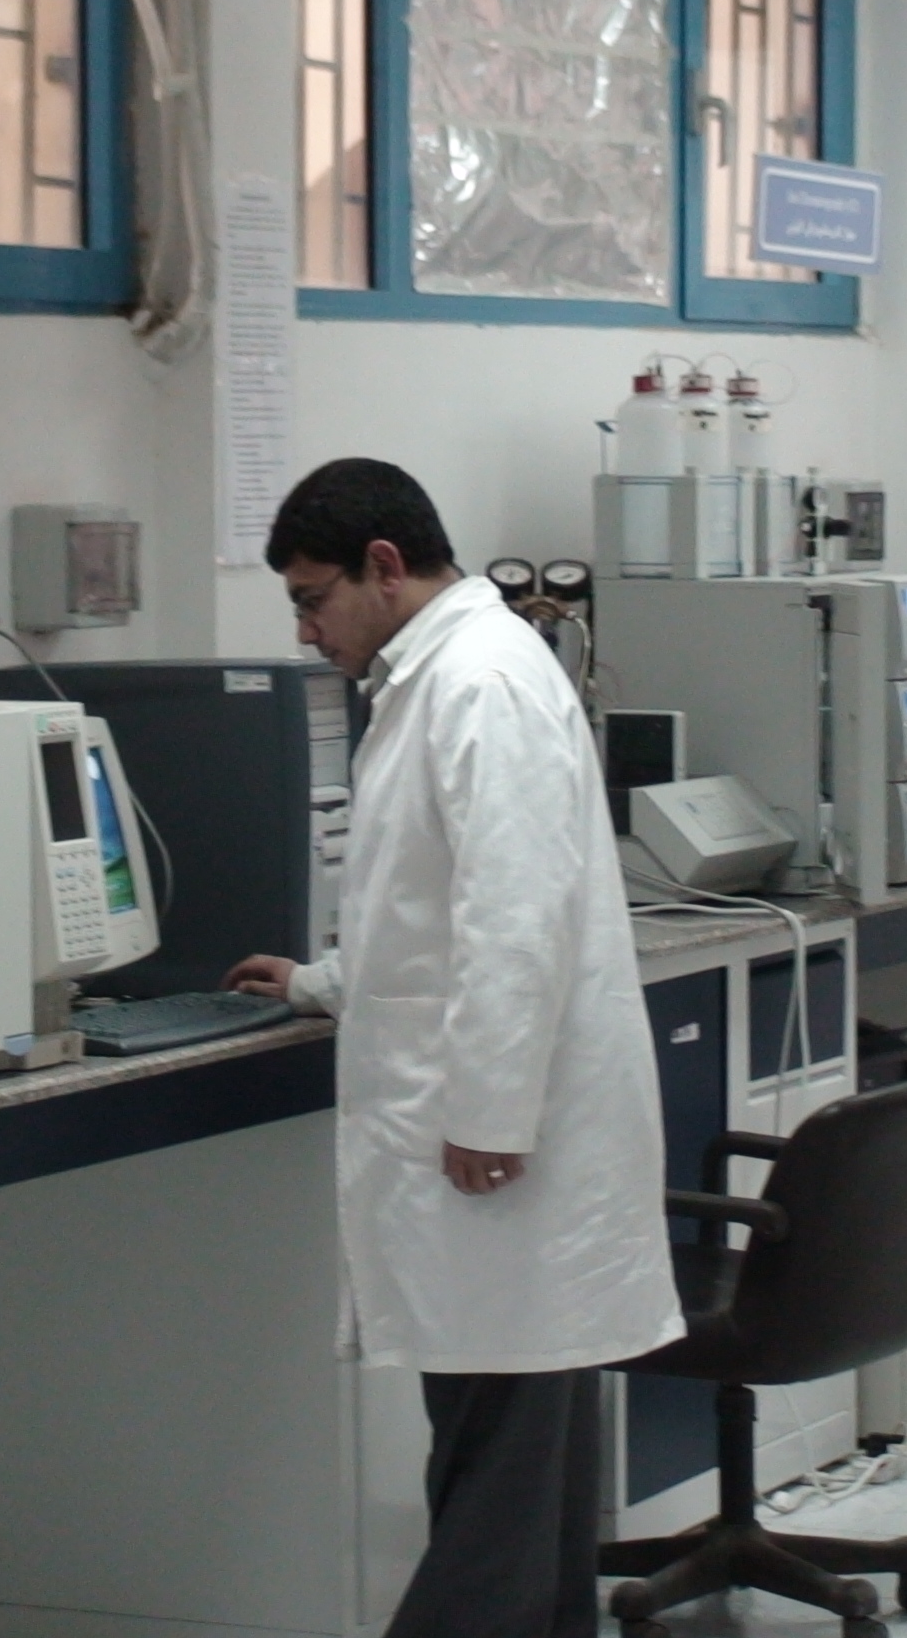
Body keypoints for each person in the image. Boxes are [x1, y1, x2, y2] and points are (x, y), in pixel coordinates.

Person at [226, 458, 682, 1638]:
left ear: (384, 567)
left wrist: (488, 1113)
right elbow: (425, 908)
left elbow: (513, 917)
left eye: (313, 599)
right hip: (498, 1143)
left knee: (497, 1479)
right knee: (520, 1470)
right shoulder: (439, 678)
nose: (305, 629)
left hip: (503, 1154)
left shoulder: (478, 680)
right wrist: (322, 982)